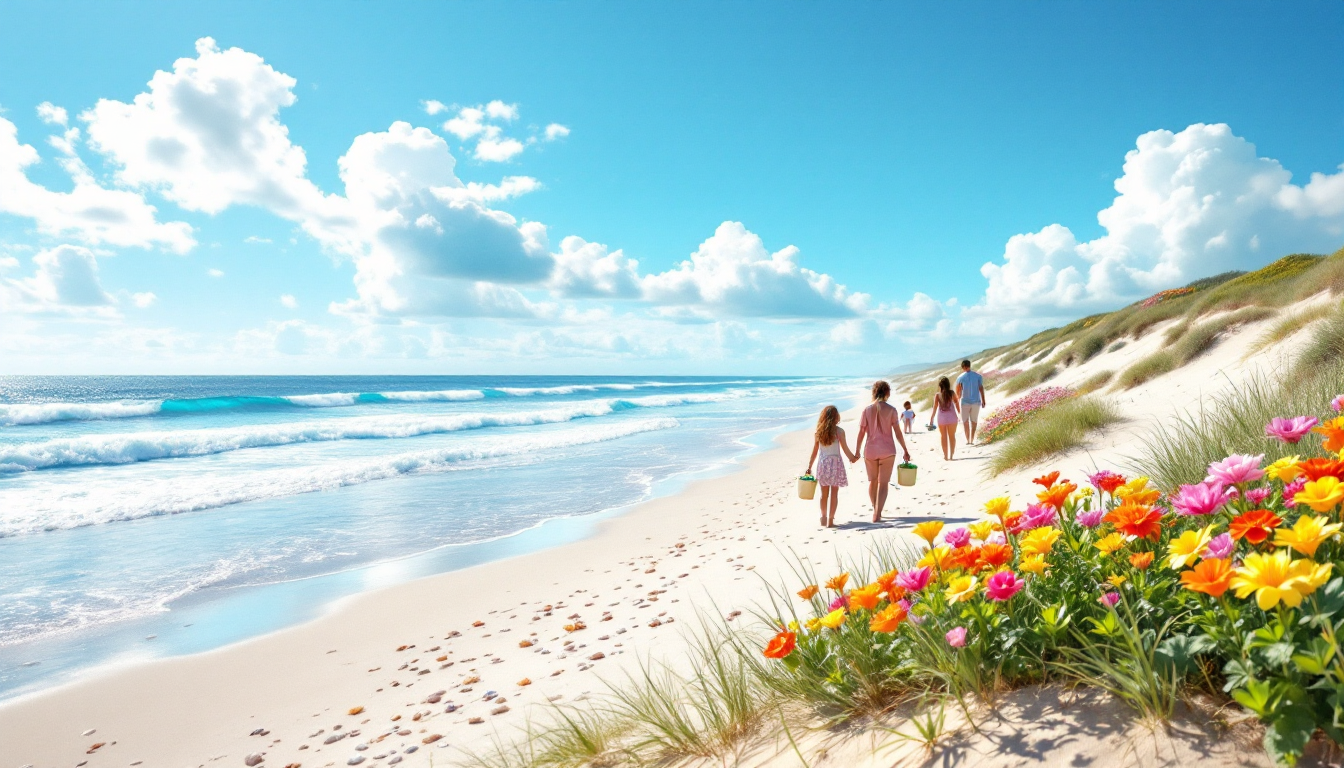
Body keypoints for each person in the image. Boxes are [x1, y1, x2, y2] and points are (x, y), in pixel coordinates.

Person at [853, 381, 911, 523]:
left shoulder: (867, 410)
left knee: (872, 482)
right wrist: (905, 449)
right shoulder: (892, 410)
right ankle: (878, 513)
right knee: (883, 483)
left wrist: (857, 451)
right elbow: (897, 432)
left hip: (870, 450)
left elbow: (861, 432)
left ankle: (874, 509)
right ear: (887, 392)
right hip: (887, 450)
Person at [805, 405, 857, 528]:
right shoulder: (839, 431)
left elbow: (815, 451)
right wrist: (853, 458)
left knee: (823, 494)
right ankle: (830, 520)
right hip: (836, 464)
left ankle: (823, 517)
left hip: (823, 464)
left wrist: (809, 466)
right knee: (834, 493)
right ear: (836, 417)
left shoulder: (818, 432)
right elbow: (845, 448)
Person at [955, 359, 986, 444]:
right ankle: (972, 439)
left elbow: (958, 391)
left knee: (965, 422)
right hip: (976, 402)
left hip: (965, 402)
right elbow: (981, 388)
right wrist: (983, 400)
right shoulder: (978, 376)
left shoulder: (960, 377)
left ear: (963, 367)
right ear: (969, 365)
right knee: (974, 421)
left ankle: (968, 440)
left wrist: (957, 400)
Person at [929, 376, 961, 460]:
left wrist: (931, 418)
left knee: (943, 437)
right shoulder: (952, 393)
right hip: (952, 418)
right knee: (952, 436)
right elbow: (957, 403)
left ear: (940, 385)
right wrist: (959, 413)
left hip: (941, 419)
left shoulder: (937, 395)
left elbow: (935, 408)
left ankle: (945, 456)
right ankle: (951, 456)